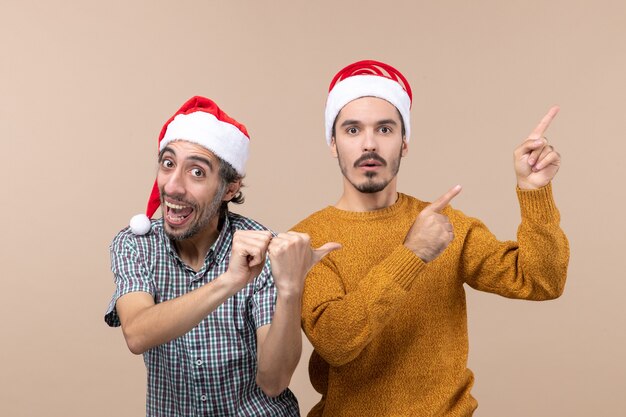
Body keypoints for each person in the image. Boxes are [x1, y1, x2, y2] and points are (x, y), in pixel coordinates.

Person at [292, 60, 569, 416]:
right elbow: (335, 342)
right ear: (333, 143)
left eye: (386, 129)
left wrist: (534, 193)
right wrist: (413, 254)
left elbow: (542, 280)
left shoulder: (443, 224)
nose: (369, 144)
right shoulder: (309, 238)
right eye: (352, 130)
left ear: (404, 143)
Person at [104, 96, 339, 417]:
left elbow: (274, 381)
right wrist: (230, 281)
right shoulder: (136, 245)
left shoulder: (262, 248)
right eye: (168, 163)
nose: (173, 186)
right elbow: (137, 333)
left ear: (229, 189)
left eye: (197, 172)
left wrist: (290, 289)